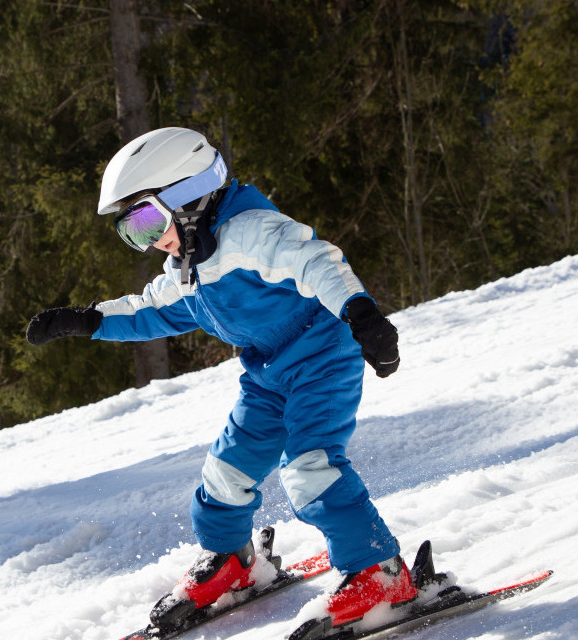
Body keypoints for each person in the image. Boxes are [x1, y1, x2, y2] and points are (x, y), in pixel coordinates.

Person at [25, 127, 412, 634]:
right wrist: (89, 320)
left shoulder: (251, 231)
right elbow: (152, 309)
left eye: (145, 221)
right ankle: (233, 561)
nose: (145, 242)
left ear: (186, 194)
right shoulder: (187, 264)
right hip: (267, 371)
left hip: (322, 353)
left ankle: (379, 573)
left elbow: (316, 260)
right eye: (130, 232)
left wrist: (361, 314)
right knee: (224, 475)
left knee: (310, 467)